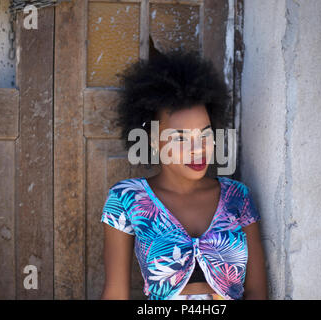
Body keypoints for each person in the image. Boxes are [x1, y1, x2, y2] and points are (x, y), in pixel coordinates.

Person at [100, 50, 267, 300]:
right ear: (154, 141)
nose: (197, 149)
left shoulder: (237, 196)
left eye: (205, 134)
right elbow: (115, 294)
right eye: (180, 138)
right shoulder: (127, 200)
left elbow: (257, 293)